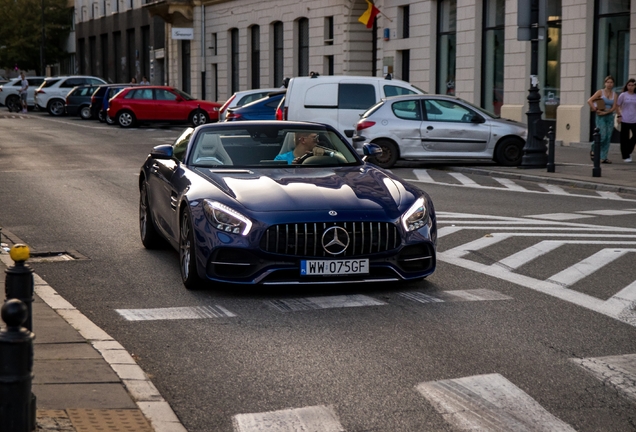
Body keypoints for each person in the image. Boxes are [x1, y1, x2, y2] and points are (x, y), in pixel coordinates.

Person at [587, 75, 618, 163]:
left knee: (608, 137)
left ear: (613, 84)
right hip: (600, 116)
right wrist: (596, 109)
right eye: (608, 82)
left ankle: (603, 157)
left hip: (609, 116)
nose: (609, 84)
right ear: (605, 83)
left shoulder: (614, 94)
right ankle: (593, 148)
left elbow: (614, 107)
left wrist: (607, 112)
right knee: (602, 135)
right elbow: (589, 101)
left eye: (611, 82)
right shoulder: (600, 92)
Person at [616, 78, 636, 163]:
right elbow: (617, 105)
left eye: (632, 85)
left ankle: (629, 150)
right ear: (626, 86)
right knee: (624, 138)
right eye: (629, 85)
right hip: (624, 118)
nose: (630, 87)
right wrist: (619, 116)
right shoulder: (623, 95)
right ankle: (625, 155)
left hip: (634, 119)